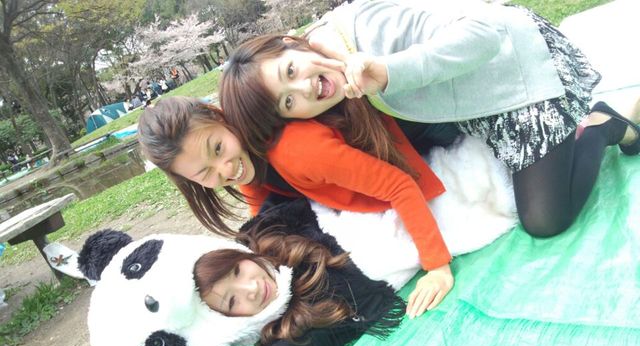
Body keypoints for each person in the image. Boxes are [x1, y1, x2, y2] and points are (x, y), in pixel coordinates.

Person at [219, 0, 640, 245]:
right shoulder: (337, 87)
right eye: (288, 101)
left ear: (289, 43)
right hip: (480, 102)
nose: (305, 89)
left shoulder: (363, 25)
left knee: (546, 220)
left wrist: (389, 71)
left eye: (290, 71)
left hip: (518, 69)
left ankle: (602, 124)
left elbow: (484, 33)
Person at [139, 92, 454, 319]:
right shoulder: (246, 166)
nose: (224, 169)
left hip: (434, 128)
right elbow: (266, 230)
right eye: (205, 173)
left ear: (219, 117)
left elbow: (398, 184)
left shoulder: (296, 150)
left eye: (218, 148)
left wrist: (437, 268)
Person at [195, 198, 404, 346]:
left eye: (237, 271)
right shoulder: (304, 324)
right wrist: (202, 340)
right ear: (230, 321)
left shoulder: (267, 228)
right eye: (232, 301)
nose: (251, 289)